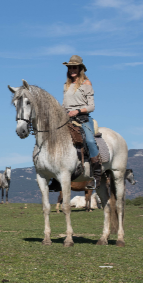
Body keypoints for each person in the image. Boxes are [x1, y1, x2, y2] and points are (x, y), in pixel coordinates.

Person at [62, 55, 101, 189]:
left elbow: (91, 106)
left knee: (90, 141)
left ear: (80, 69)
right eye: (70, 67)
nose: (72, 69)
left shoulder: (86, 84)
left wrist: (77, 111)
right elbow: (64, 104)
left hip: (82, 118)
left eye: (75, 67)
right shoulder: (66, 85)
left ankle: (97, 176)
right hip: (67, 119)